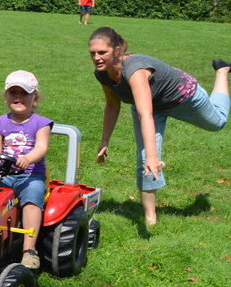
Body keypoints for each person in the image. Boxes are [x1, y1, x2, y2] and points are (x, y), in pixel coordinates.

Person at [89, 27, 229, 225]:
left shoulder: (135, 71)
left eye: (102, 52)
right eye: (93, 53)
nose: (97, 58)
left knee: (218, 122)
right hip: (152, 106)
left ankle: (222, 71)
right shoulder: (102, 73)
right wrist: (105, 140)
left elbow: (145, 115)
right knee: (144, 158)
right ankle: (150, 217)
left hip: (182, 96)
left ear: (117, 50)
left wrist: (155, 157)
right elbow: (112, 105)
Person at [0, 71, 53, 270]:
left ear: (35, 99)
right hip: (4, 174)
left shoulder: (41, 123)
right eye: (13, 92)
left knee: (32, 197)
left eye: (24, 93)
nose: (18, 97)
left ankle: (29, 249)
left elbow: (41, 148)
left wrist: (27, 158)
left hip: (31, 174)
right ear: (6, 97)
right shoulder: (0, 123)